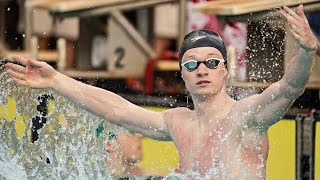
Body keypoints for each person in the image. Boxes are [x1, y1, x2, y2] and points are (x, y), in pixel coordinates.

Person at [3, 5, 319, 179]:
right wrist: (58, 81)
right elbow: (118, 110)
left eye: (211, 61)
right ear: (182, 74)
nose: (203, 70)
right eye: (192, 64)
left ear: (225, 70)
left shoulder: (247, 116)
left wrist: (307, 49)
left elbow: (289, 87)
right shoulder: (179, 123)